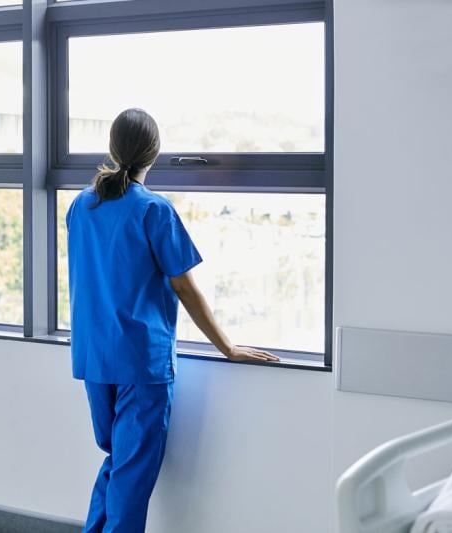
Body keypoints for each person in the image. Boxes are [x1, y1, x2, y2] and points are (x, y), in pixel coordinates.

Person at [66, 108, 279, 533]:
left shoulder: (81, 205)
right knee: (130, 471)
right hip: (140, 361)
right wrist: (228, 348)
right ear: (155, 153)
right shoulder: (153, 210)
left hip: (94, 356)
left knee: (117, 461)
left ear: (112, 148)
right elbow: (185, 287)